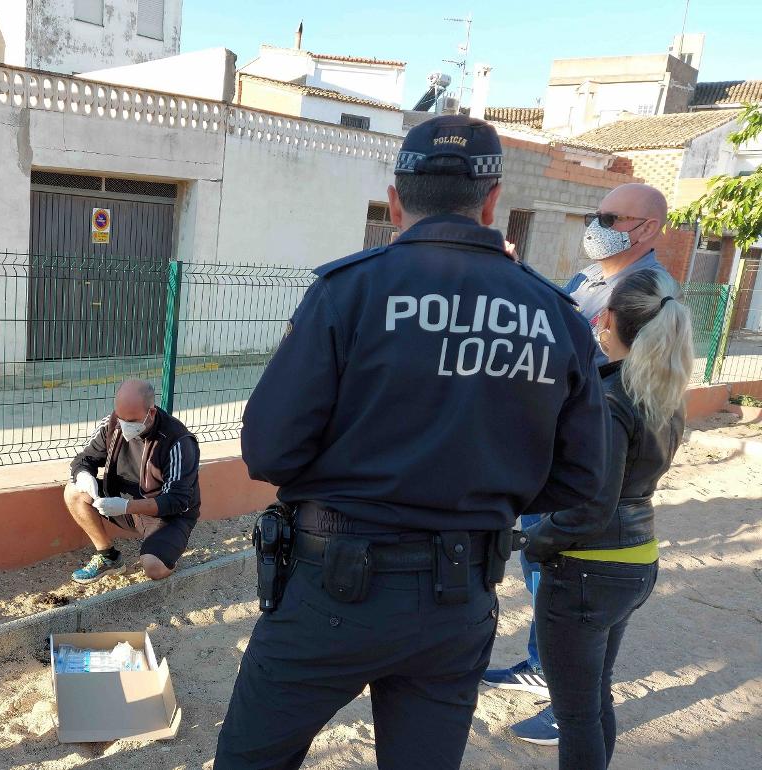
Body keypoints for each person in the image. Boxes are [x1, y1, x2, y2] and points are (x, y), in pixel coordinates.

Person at [213, 115, 610, 770]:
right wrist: (483, 486)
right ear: (492, 202)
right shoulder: (554, 313)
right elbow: (580, 477)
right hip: (457, 601)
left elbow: (270, 451)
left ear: (396, 200)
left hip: (329, 590)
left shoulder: (349, 291)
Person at [486, 182, 673, 743]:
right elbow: (558, 321)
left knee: (562, 583)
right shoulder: (592, 280)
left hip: (583, 467)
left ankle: (563, 697)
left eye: (608, 216)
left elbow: (587, 359)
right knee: (545, 580)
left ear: (645, 228)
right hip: (555, 455)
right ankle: (547, 668)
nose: (596, 223)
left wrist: (540, 538)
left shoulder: (647, 292)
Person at [522, 270, 693, 769]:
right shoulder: (663, 395)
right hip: (636, 560)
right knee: (595, 700)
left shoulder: (615, 400)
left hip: (587, 570)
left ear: (610, 320)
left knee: (575, 715)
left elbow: (592, 506)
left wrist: (533, 543)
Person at [64, 379, 200, 583]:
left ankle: (167, 549)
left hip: (166, 515)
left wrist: (127, 506)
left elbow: (177, 500)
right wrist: (83, 474)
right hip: (120, 504)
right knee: (73, 491)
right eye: (121, 418)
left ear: (151, 413)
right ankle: (108, 557)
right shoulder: (111, 425)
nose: (124, 425)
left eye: (132, 421)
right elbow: (84, 459)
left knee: (154, 567)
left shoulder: (178, 441)